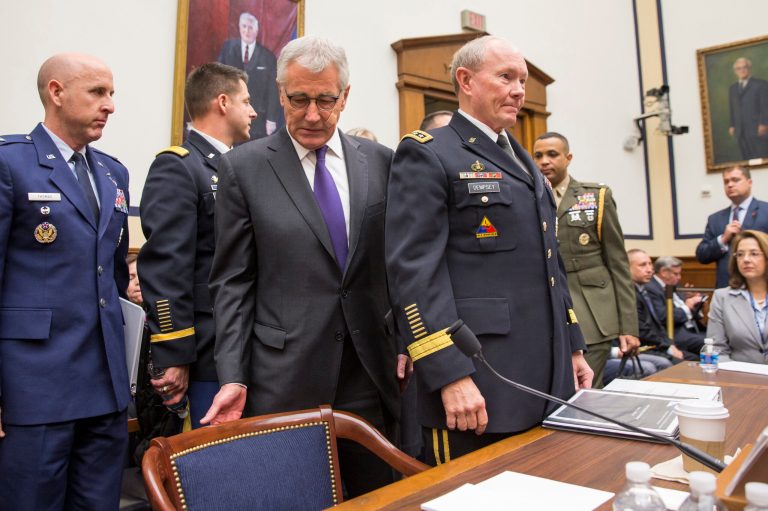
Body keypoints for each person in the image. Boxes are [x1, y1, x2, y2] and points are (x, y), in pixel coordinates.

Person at [201, 36, 403, 497]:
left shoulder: (380, 163)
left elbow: (396, 265)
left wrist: (409, 341)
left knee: (379, 498)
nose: (312, 114)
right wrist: (233, 373)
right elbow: (232, 282)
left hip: (370, 373)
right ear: (280, 93)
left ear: (345, 97)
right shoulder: (243, 168)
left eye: (326, 100)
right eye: (299, 99)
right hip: (284, 375)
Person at [385, 35, 593, 465]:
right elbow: (414, 272)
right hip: (478, 378)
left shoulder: (517, 156)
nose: (520, 90)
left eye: (522, 79)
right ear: (466, 80)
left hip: (545, 375)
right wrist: (448, 374)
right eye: (506, 77)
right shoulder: (428, 153)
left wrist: (571, 345)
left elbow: (549, 262)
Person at [0, 53, 130, 509]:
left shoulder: (114, 172)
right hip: (35, 386)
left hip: (105, 385)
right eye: (98, 92)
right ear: (56, 92)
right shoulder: (11, 164)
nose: (110, 105)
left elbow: (111, 278)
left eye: (111, 93)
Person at [138, 63, 256, 429]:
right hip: (205, 350)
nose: (253, 111)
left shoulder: (240, 167)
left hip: (243, 342)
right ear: (223, 102)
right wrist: (175, 352)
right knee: (210, 462)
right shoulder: (180, 167)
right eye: (246, 101)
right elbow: (166, 267)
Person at [533, 132, 639, 387]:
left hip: (593, 312)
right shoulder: (529, 198)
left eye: (552, 154)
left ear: (568, 158)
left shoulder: (596, 197)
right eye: (538, 156)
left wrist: (629, 327)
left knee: (588, 391)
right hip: (548, 311)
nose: (544, 161)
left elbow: (618, 265)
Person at [696, 166, 768, 288]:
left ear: (749, 183)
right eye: (726, 182)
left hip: (762, 288)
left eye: (735, 180)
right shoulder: (715, 219)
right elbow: (702, 255)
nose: (730, 185)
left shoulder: (765, 211)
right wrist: (722, 239)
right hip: (727, 289)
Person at [707, 230, 768, 363]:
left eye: (754, 254)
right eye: (740, 254)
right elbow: (716, 349)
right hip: (740, 377)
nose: (746, 259)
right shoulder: (722, 297)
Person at [217, 12, 280, 140]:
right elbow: (217, 80)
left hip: (258, 120)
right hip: (230, 116)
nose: (247, 30)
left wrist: (271, 119)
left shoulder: (268, 57)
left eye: (250, 27)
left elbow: (274, 91)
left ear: (256, 30)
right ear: (239, 28)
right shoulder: (227, 48)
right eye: (244, 26)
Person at [627, 249, 685, 366]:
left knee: (689, 361)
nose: (649, 270)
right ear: (627, 267)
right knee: (680, 364)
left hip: (655, 345)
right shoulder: (629, 294)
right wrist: (667, 346)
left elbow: (656, 325)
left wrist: (669, 344)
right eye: (643, 265)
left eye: (650, 264)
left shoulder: (643, 290)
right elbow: (642, 330)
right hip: (644, 347)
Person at [644, 256, 706, 354]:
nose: (679, 277)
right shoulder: (651, 288)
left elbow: (686, 309)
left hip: (692, 329)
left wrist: (696, 303)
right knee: (709, 344)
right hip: (674, 333)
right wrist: (687, 307)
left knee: (718, 338)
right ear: (663, 272)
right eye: (676, 274)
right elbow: (663, 317)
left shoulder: (674, 284)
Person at [728, 57, 768, 160]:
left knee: (760, 158)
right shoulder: (733, 88)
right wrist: (732, 125)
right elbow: (732, 108)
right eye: (739, 68)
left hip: (757, 128)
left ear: (749, 69)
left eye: (744, 67)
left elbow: (765, 106)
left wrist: (764, 124)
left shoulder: (761, 84)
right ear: (735, 71)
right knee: (746, 159)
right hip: (740, 130)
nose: (742, 70)